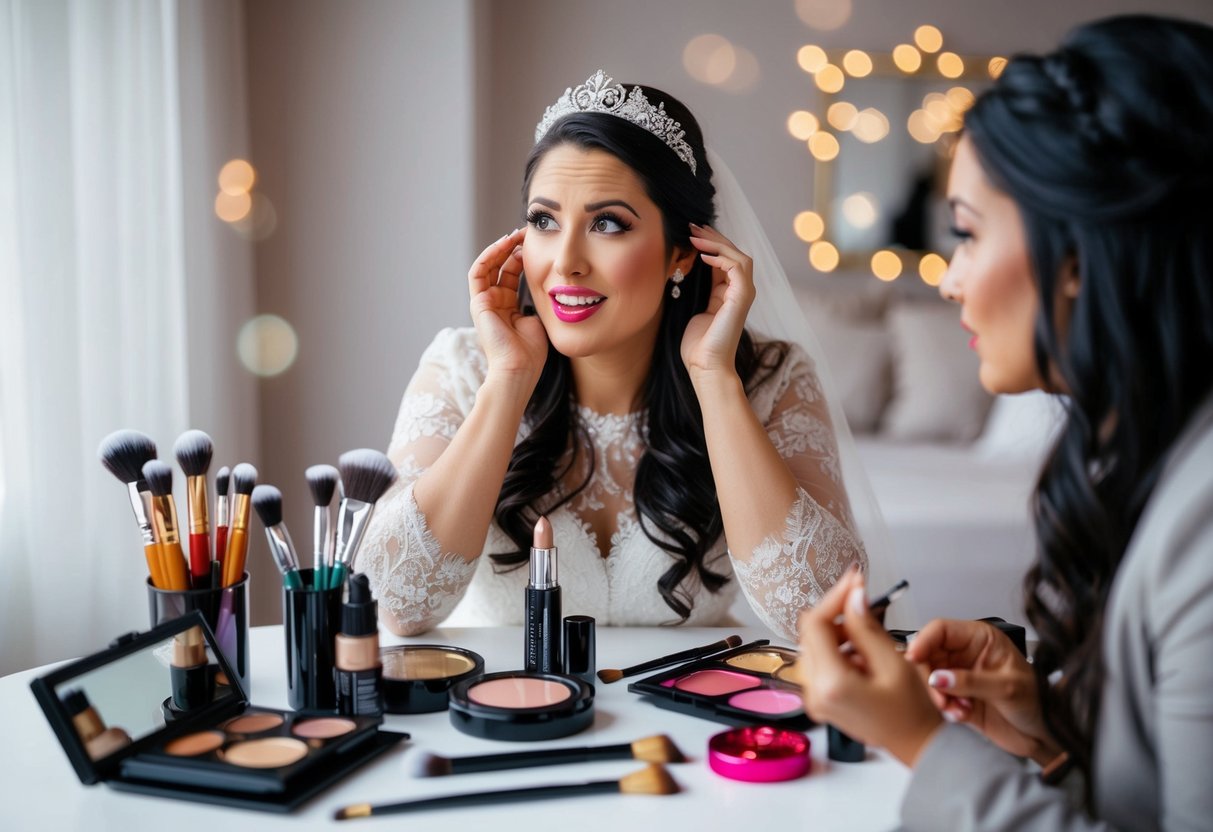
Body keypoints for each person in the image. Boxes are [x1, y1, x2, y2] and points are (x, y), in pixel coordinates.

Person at [795, 15, 1213, 829]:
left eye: (967, 233)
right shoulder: (1145, 456)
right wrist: (1050, 727)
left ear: (1080, 257)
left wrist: (923, 744)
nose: (948, 282)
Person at [359, 70, 894, 640]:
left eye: (607, 223)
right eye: (544, 220)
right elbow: (394, 604)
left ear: (682, 256)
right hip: (509, 711)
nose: (564, 261)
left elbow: (824, 613)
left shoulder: (772, 379)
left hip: (693, 719)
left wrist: (714, 379)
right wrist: (509, 381)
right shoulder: (463, 367)